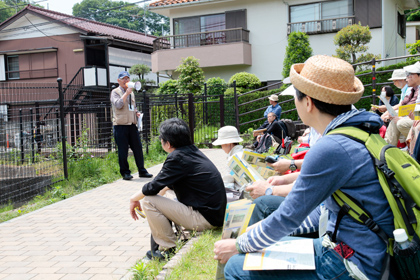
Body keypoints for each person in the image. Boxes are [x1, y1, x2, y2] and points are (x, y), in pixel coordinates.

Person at [214, 55, 394, 280]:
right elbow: (321, 211)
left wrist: (240, 244)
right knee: (255, 246)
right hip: (359, 249)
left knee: (235, 266)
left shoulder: (332, 147)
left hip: (355, 263)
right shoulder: (358, 134)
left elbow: (289, 215)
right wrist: (256, 234)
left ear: (308, 102)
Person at [130, 118, 227, 260]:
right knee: (163, 195)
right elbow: (163, 186)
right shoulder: (192, 152)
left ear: (168, 143)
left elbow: (152, 187)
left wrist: (133, 199)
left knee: (148, 201)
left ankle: (168, 249)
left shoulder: (177, 158)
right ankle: (168, 240)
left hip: (206, 219)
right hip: (215, 215)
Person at [110, 71, 152, 180]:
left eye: (127, 78)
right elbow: (119, 105)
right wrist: (126, 93)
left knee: (138, 148)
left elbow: (132, 106)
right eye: (123, 78)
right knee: (123, 151)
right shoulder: (115, 92)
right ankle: (125, 173)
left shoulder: (132, 93)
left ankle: (142, 171)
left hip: (132, 125)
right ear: (119, 81)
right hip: (120, 125)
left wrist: (136, 113)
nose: (126, 80)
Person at [383, 63, 420, 146]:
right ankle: (389, 146)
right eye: (407, 75)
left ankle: (409, 146)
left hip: (416, 120)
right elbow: (408, 105)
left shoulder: (414, 89)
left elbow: (413, 107)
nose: (407, 77)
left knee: (400, 122)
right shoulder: (416, 89)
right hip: (415, 118)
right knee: (396, 119)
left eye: (410, 74)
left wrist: (399, 116)